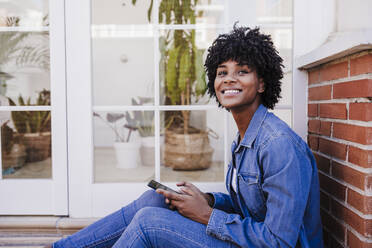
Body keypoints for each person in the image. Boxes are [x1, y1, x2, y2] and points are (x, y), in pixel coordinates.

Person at [50, 25, 323, 248]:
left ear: (262, 83)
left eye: (242, 71)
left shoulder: (278, 146)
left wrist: (206, 215)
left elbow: (279, 241)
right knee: (156, 200)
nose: (229, 79)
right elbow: (250, 208)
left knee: (150, 223)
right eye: (222, 72)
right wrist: (209, 200)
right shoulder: (246, 136)